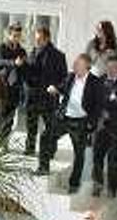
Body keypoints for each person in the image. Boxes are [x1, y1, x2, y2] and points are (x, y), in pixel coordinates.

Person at [37, 54, 103, 193]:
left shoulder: (95, 82)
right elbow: (62, 87)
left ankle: (74, 184)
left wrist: (92, 124)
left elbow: (98, 106)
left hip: (81, 122)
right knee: (46, 136)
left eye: (78, 64)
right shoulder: (71, 76)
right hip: (64, 118)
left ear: (86, 67)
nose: (75, 66)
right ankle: (43, 167)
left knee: (79, 154)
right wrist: (54, 88)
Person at [19, 25, 68, 156]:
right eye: (36, 39)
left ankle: (49, 151)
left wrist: (57, 88)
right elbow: (28, 74)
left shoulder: (58, 56)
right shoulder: (32, 53)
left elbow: (64, 78)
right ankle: (29, 149)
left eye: (39, 39)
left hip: (49, 97)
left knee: (50, 127)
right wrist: (22, 66)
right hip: (33, 96)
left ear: (47, 39)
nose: (37, 42)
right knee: (31, 125)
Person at [91, 55, 117, 198]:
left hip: (116, 126)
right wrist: (108, 100)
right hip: (100, 125)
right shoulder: (98, 81)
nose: (111, 70)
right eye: (109, 66)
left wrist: (105, 102)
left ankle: (112, 189)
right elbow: (94, 102)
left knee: (113, 158)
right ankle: (97, 186)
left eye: (115, 67)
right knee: (97, 157)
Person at [0, 22, 29, 144]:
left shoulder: (22, 51)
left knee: (10, 118)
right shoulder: (1, 47)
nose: (16, 38)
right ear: (9, 35)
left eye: (18, 36)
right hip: (2, 87)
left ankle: (3, 143)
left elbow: (24, 70)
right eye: (14, 35)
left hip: (15, 89)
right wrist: (13, 63)